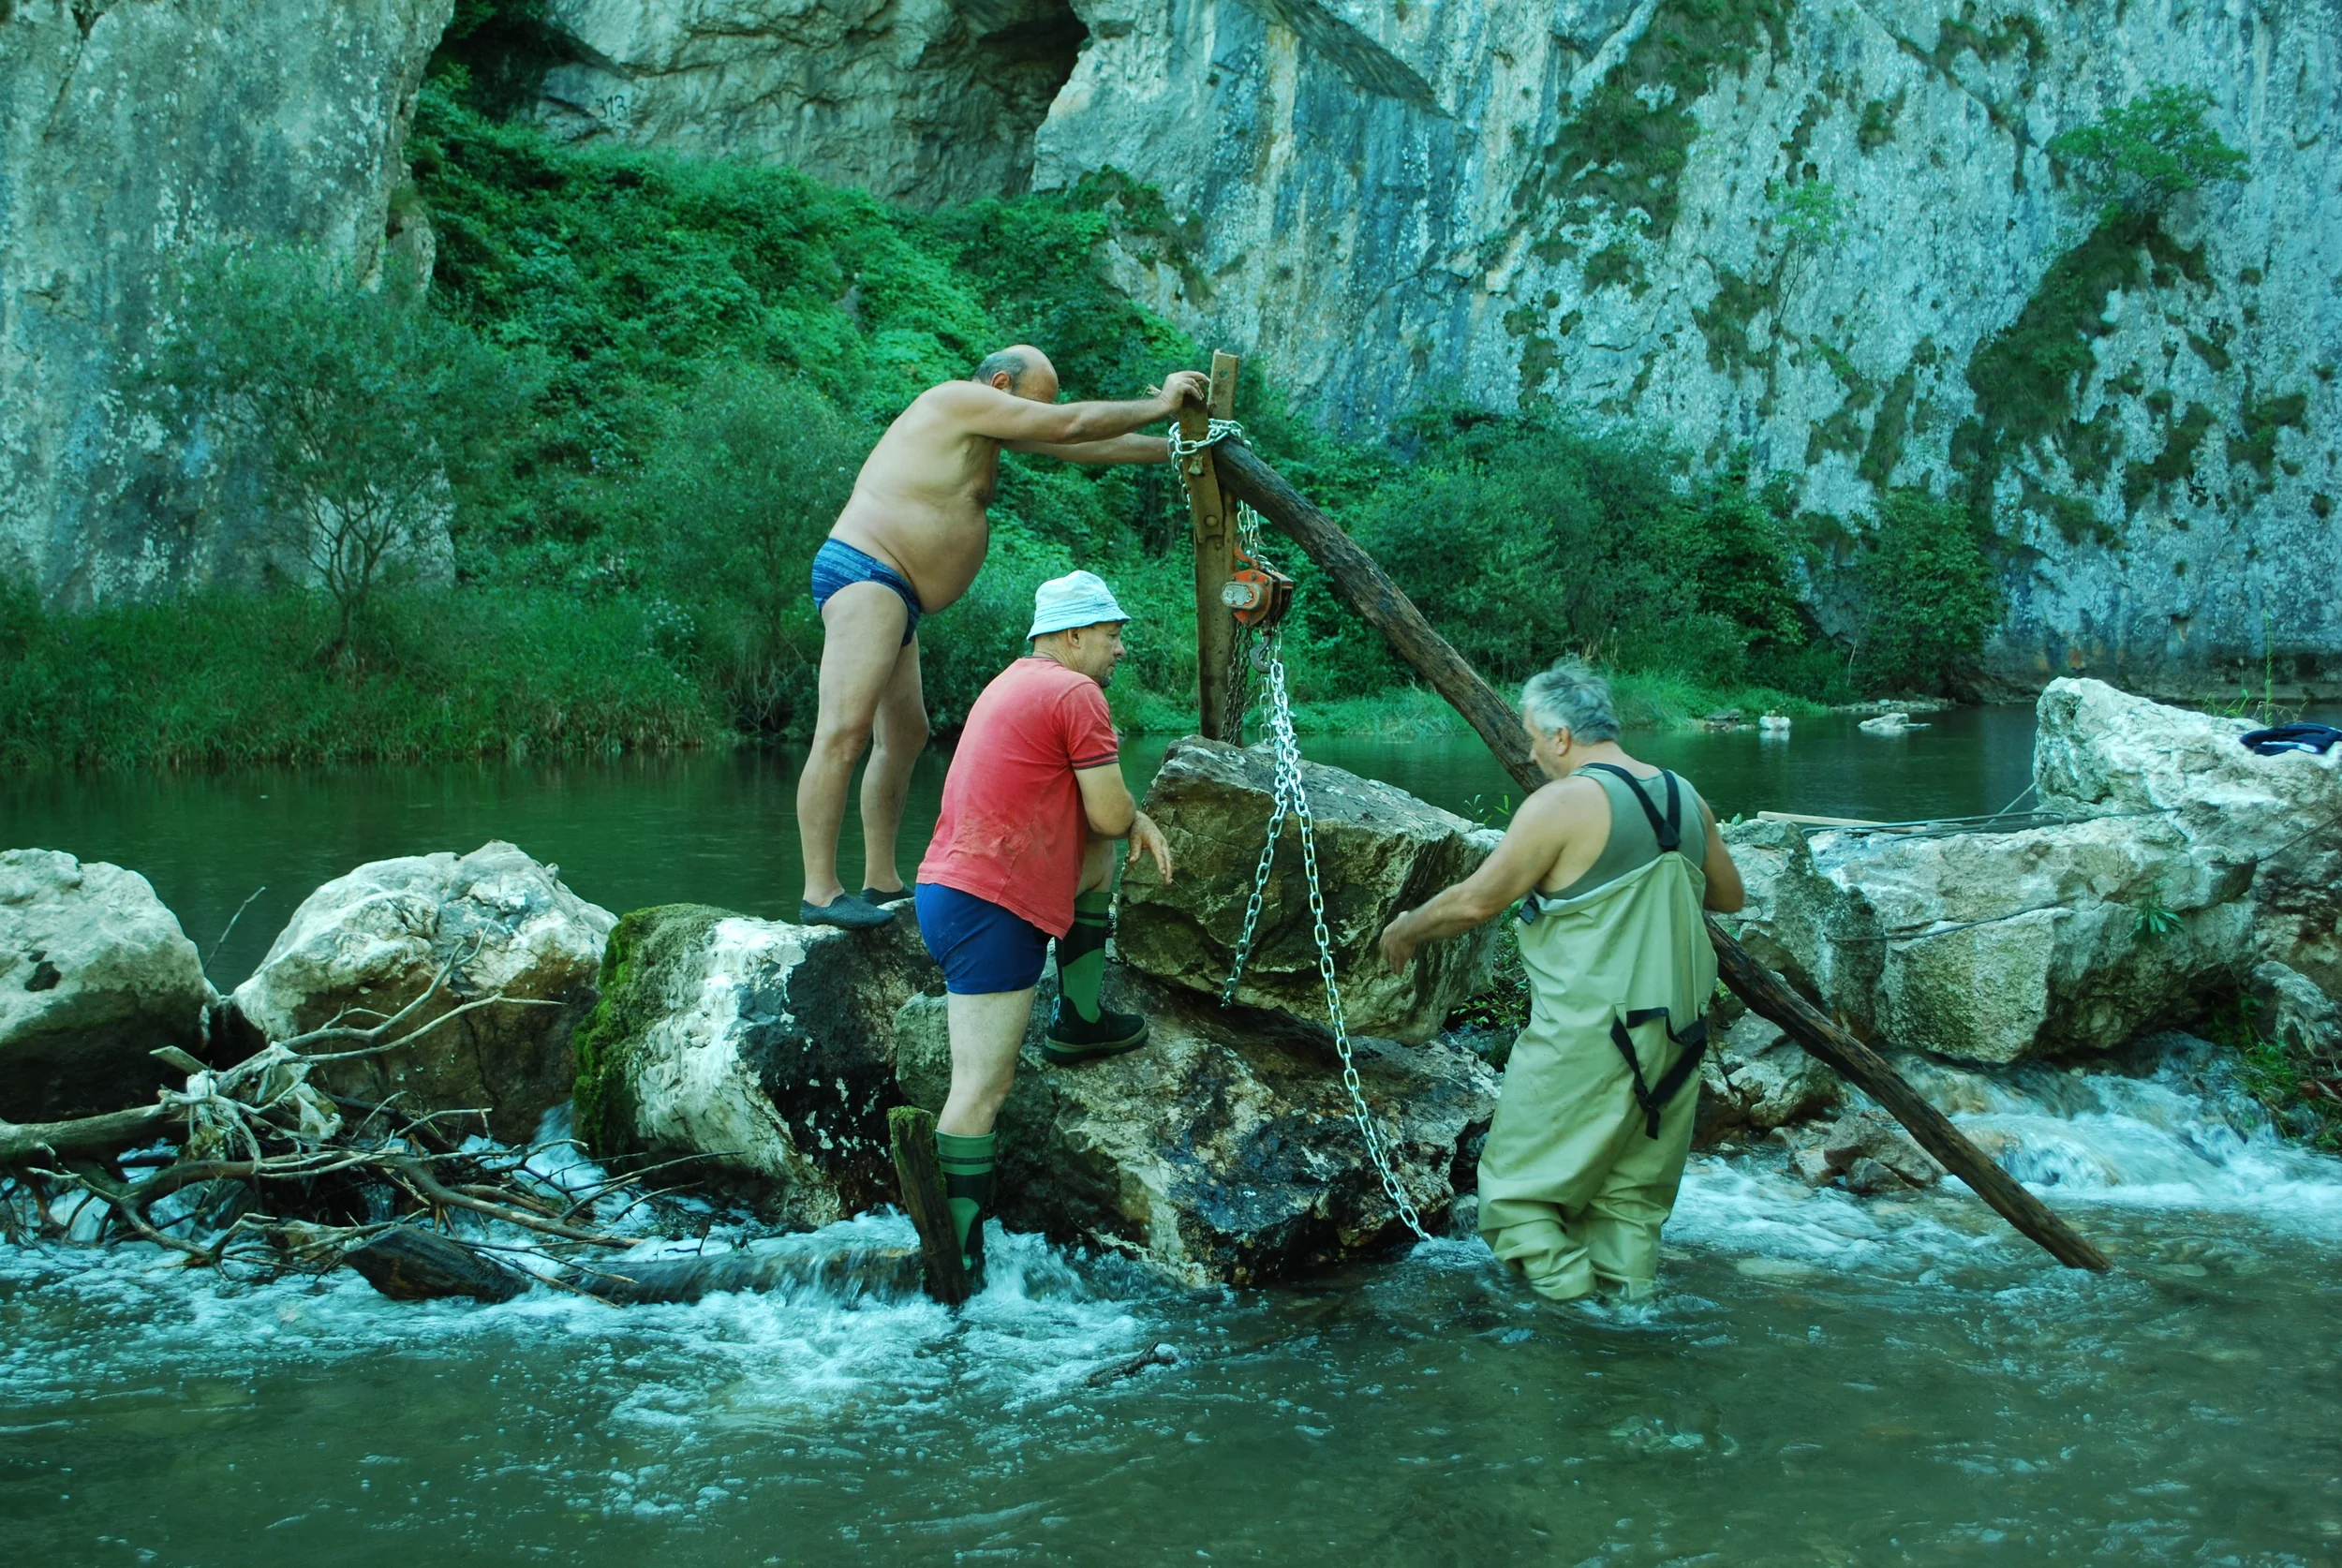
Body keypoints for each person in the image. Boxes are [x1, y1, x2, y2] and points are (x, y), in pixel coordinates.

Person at [798, 348, 1208, 929]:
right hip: (867, 572)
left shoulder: (985, 429)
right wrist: (1161, 404)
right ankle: (819, 892)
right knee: (843, 732)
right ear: (998, 383)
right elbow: (1071, 424)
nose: (1044, 415)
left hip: (896, 591)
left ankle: (880, 881)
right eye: (1037, 402)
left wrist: (1180, 451)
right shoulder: (957, 401)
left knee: (907, 734)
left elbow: (1081, 443)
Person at [1376, 658, 1744, 1303]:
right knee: (1629, 1207)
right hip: (1679, 1040)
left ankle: (1573, 1337)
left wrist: (1405, 929)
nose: (1529, 750)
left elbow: (1475, 902)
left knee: (1518, 1201)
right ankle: (1628, 1333)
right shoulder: (1687, 796)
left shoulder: (1563, 803)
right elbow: (1729, 895)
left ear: (1562, 738)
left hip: (1590, 1039)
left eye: (1532, 736)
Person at [910, 570, 1175, 1282]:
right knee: (979, 1091)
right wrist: (1142, 818)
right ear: (1075, 635)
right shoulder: (1075, 692)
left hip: (952, 891)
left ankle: (1080, 1017)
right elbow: (1116, 813)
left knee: (1096, 851)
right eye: (1113, 636)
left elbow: (1096, 828)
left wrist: (1120, 826)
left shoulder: (1012, 682)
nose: (1120, 650)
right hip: (988, 907)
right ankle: (954, 1259)